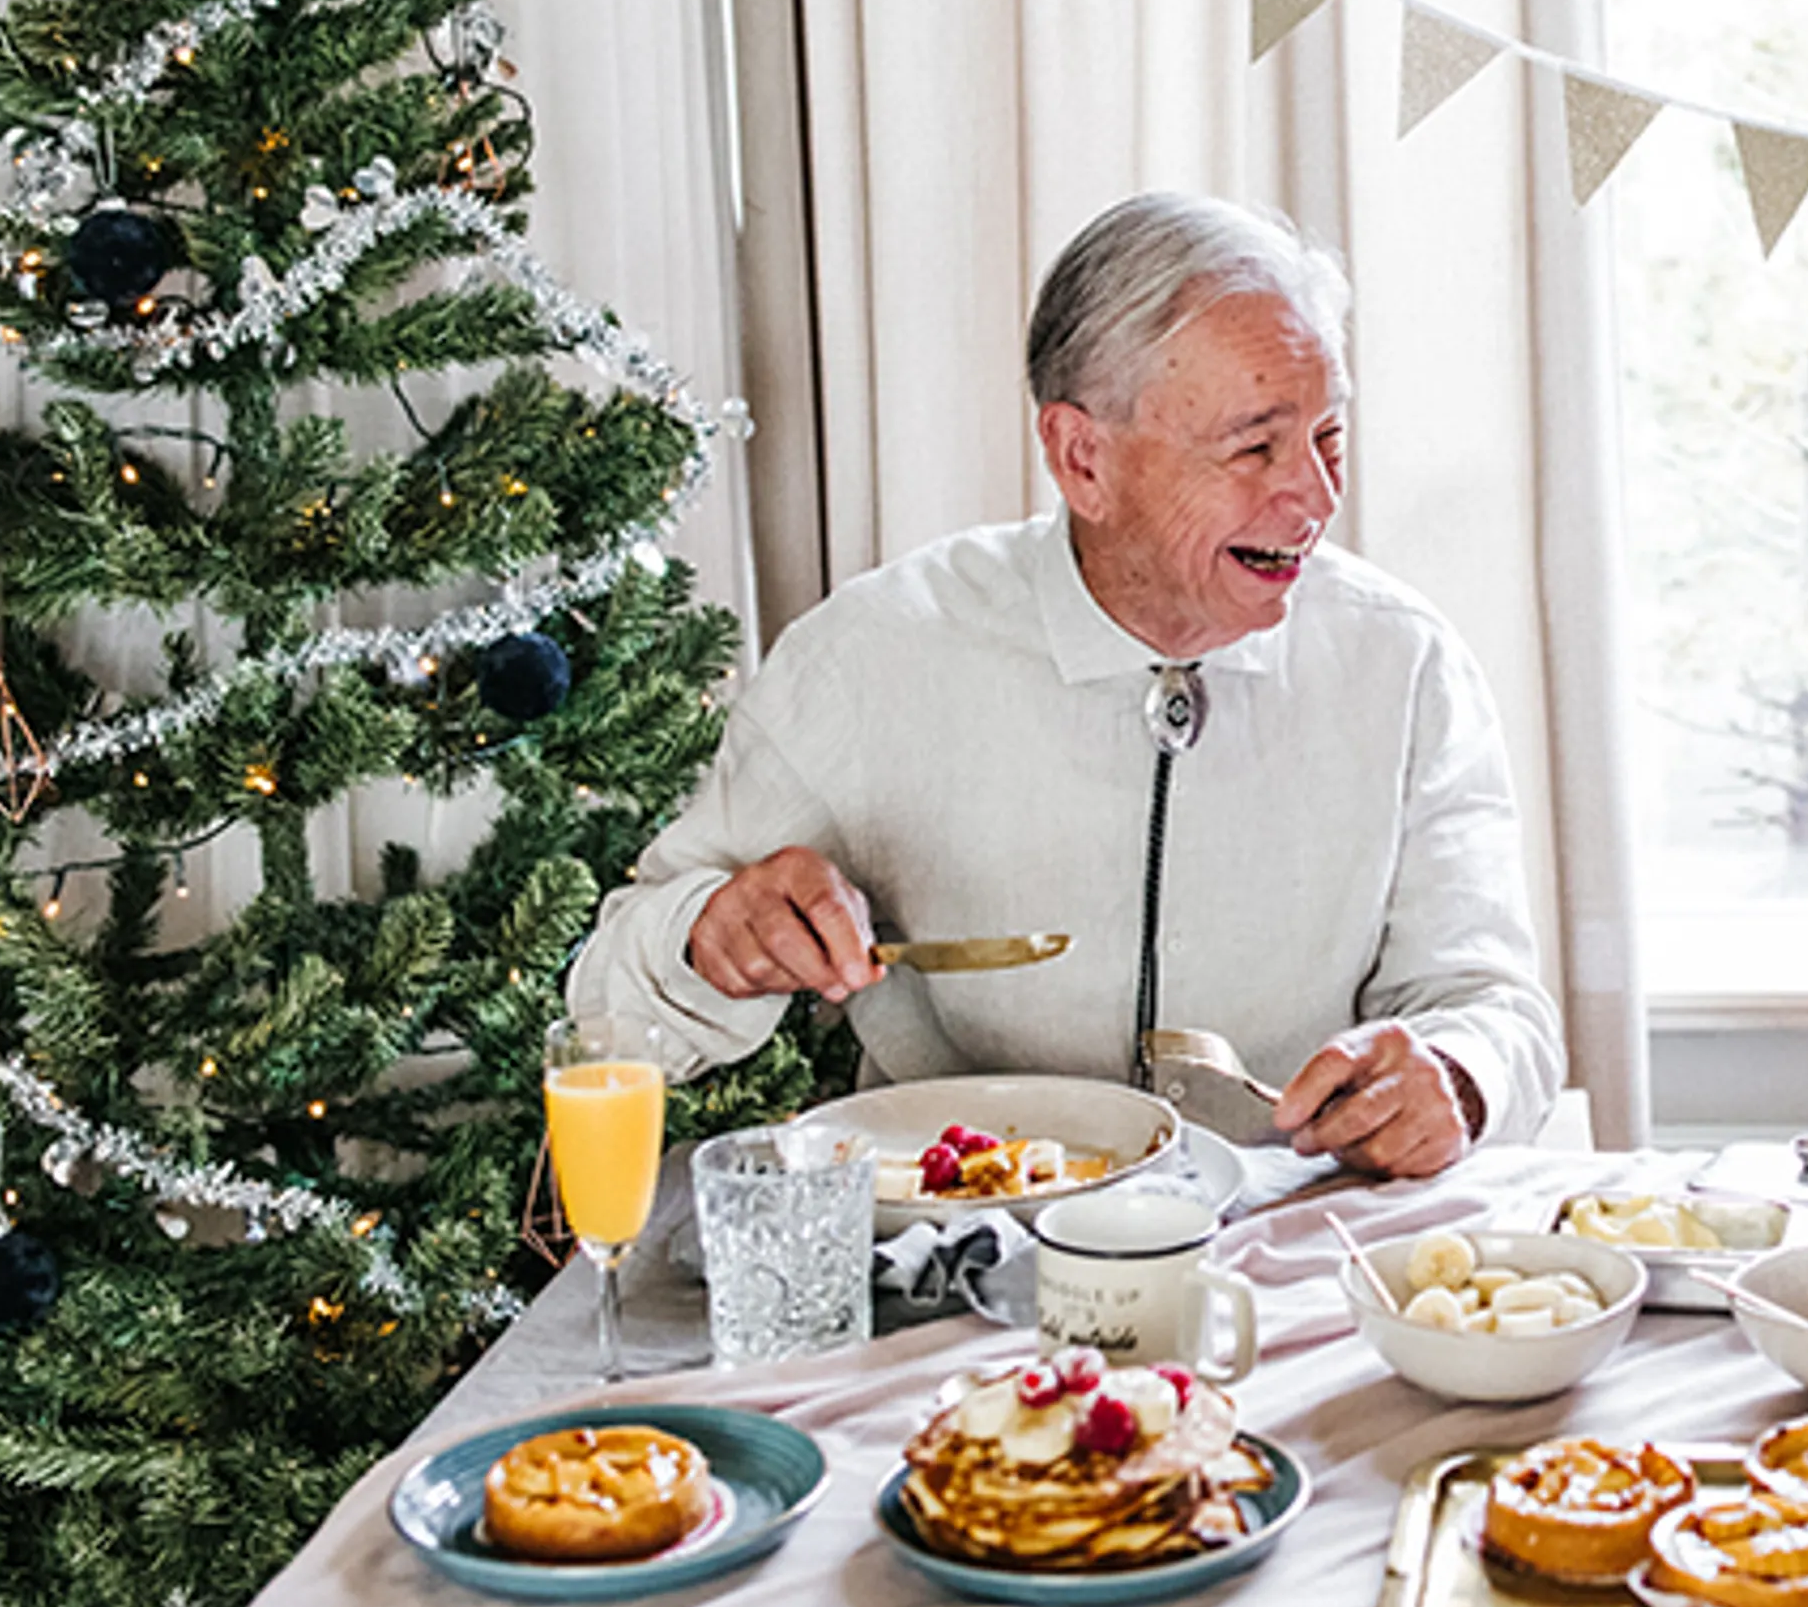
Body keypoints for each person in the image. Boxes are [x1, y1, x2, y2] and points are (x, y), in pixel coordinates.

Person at [569, 193, 1562, 1178]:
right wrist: (713, 935)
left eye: (1329, 436)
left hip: (1298, 1238)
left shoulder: (1404, 663)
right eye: (1255, 446)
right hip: (966, 1247)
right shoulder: (870, 657)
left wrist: (1455, 1075)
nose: (1315, 492)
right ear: (1083, 457)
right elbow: (610, 1000)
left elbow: (1494, 1008)